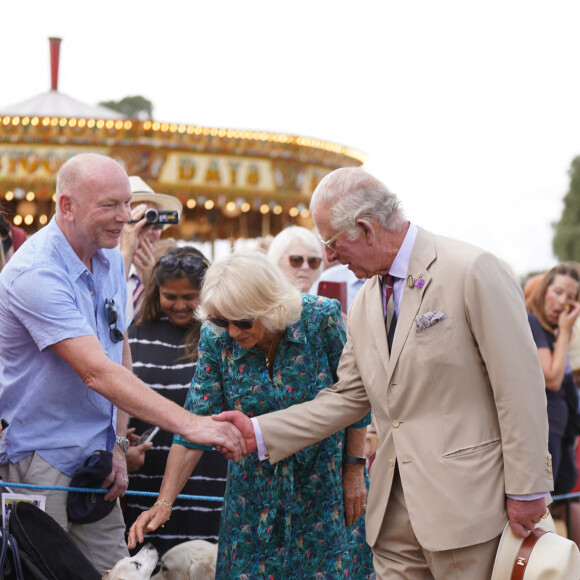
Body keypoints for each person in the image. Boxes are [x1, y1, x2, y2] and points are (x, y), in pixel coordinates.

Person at [214, 167, 553, 579]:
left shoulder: (471, 270)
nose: (330, 258)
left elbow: (520, 388)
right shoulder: (365, 302)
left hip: (471, 513)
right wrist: (259, 432)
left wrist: (529, 488)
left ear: (365, 229)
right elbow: (347, 398)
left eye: (332, 243)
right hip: (393, 522)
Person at [0, 153, 245, 573]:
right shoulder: (34, 272)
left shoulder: (110, 257)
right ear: (67, 206)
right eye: (110, 205)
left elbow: (119, 347)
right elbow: (96, 372)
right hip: (41, 462)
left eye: (127, 203)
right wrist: (191, 424)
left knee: (118, 571)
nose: (125, 216)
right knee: (38, 571)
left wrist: (116, 443)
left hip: (95, 460)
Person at [128, 249, 375, 578]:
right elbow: (194, 427)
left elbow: (354, 400)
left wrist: (354, 471)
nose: (231, 331)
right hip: (252, 504)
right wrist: (164, 502)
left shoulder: (321, 320)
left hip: (325, 494)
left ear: (270, 306)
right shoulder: (217, 339)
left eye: (242, 320)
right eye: (220, 320)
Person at [124, 246, 227, 555]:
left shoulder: (221, 334)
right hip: (147, 474)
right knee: (149, 560)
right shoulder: (135, 332)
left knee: (203, 560)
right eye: (171, 296)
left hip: (207, 475)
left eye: (190, 296)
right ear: (157, 292)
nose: (180, 305)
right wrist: (120, 443)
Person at [525, 264, 580, 495]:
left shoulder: (552, 331)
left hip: (558, 432)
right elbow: (552, 379)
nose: (562, 302)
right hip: (542, 433)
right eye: (557, 292)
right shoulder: (532, 322)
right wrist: (566, 332)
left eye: (571, 297)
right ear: (543, 289)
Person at [120, 176, 183, 322]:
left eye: (155, 223)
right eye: (140, 221)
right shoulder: (95, 266)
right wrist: (125, 255)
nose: (149, 231)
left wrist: (153, 282)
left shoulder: (174, 269)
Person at [267, 225, 322, 293]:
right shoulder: (264, 302)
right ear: (277, 261)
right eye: (296, 260)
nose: (305, 267)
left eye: (312, 261)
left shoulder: (327, 301)